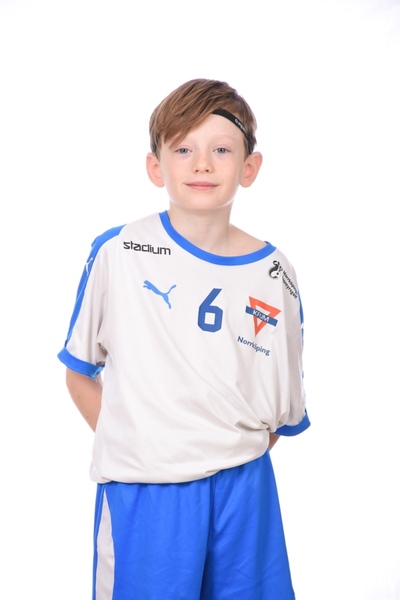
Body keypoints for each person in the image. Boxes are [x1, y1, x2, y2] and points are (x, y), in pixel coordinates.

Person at [58, 78, 310, 600]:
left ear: (249, 168)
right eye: (183, 149)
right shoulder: (120, 251)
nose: (202, 165)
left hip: (244, 491)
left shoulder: (275, 274)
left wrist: (220, 449)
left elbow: (280, 412)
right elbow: (79, 372)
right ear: (156, 167)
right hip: (146, 494)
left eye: (221, 150)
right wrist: (147, 444)